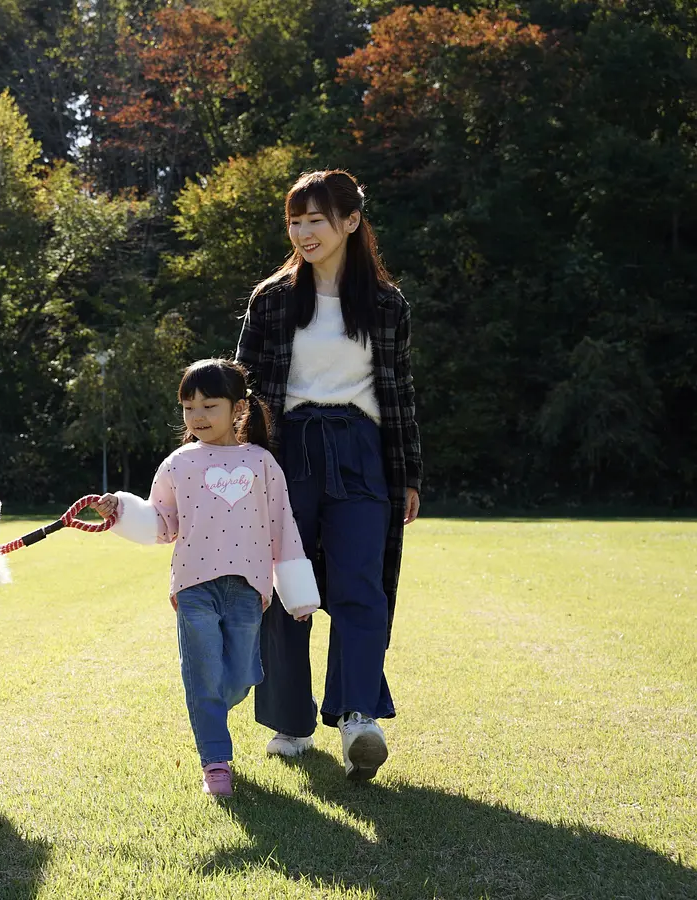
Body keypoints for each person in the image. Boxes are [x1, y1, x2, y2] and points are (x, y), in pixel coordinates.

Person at [234, 169, 422, 781]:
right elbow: (245, 388)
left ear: (350, 222)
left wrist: (409, 474)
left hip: (364, 451)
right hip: (288, 451)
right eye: (296, 219)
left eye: (317, 219)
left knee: (361, 586)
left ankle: (357, 717)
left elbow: (400, 394)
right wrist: (236, 464)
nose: (304, 231)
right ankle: (291, 720)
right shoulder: (272, 298)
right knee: (288, 588)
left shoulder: (387, 304)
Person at [94, 359, 319, 797]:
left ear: (237, 409)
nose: (197, 416)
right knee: (201, 675)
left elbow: (282, 526)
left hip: (248, 590)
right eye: (188, 406)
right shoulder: (178, 464)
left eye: (209, 405)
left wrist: (297, 595)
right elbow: (163, 523)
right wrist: (121, 510)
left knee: (237, 676)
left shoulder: (261, 463)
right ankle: (215, 760)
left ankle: (211, 706)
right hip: (194, 585)